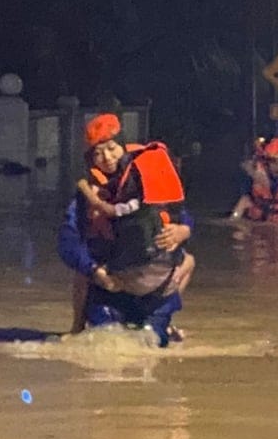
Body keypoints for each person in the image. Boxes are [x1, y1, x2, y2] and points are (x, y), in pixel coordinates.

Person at [58, 113, 194, 347]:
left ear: (123, 146)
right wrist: (94, 271)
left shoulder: (149, 176)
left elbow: (180, 215)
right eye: (97, 153)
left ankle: (163, 321)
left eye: (111, 148)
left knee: (154, 341)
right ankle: (78, 327)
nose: (106, 158)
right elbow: (68, 242)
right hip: (111, 283)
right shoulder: (86, 195)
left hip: (155, 287)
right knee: (103, 340)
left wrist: (184, 230)